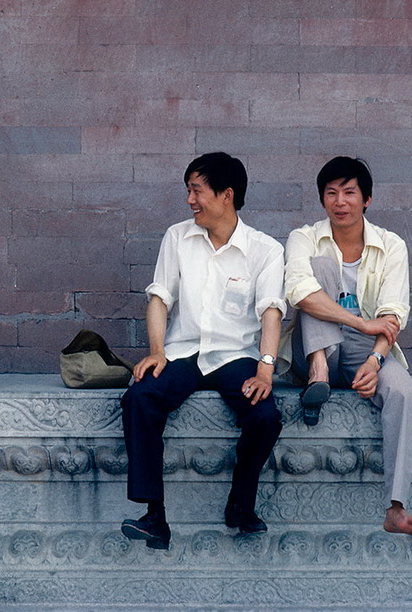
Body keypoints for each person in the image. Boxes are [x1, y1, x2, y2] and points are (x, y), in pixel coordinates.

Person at [120, 152, 286, 549]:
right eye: (189, 190)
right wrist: (157, 350)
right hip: (183, 353)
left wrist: (265, 369)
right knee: (140, 397)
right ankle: (154, 516)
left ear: (226, 195)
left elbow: (271, 311)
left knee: (265, 416)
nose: (190, 200)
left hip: (235, 355)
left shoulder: (265, 250)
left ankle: (240, 506)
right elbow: (160, 297)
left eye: (197, 191)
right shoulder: (177, 237)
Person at [284, 156, 412, 538]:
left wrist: (376, 360)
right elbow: (299, 292)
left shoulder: (391, 245)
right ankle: (319, 374)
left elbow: (393, 314)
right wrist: (360, 321)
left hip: (367, 347)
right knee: (320, 270)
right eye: (331, 193)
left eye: (349, 193)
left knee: (404, 393)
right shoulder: (304, 237)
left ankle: (395, 508)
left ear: (367, 200)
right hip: (315, 346)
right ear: (322, 200)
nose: (340, 201)